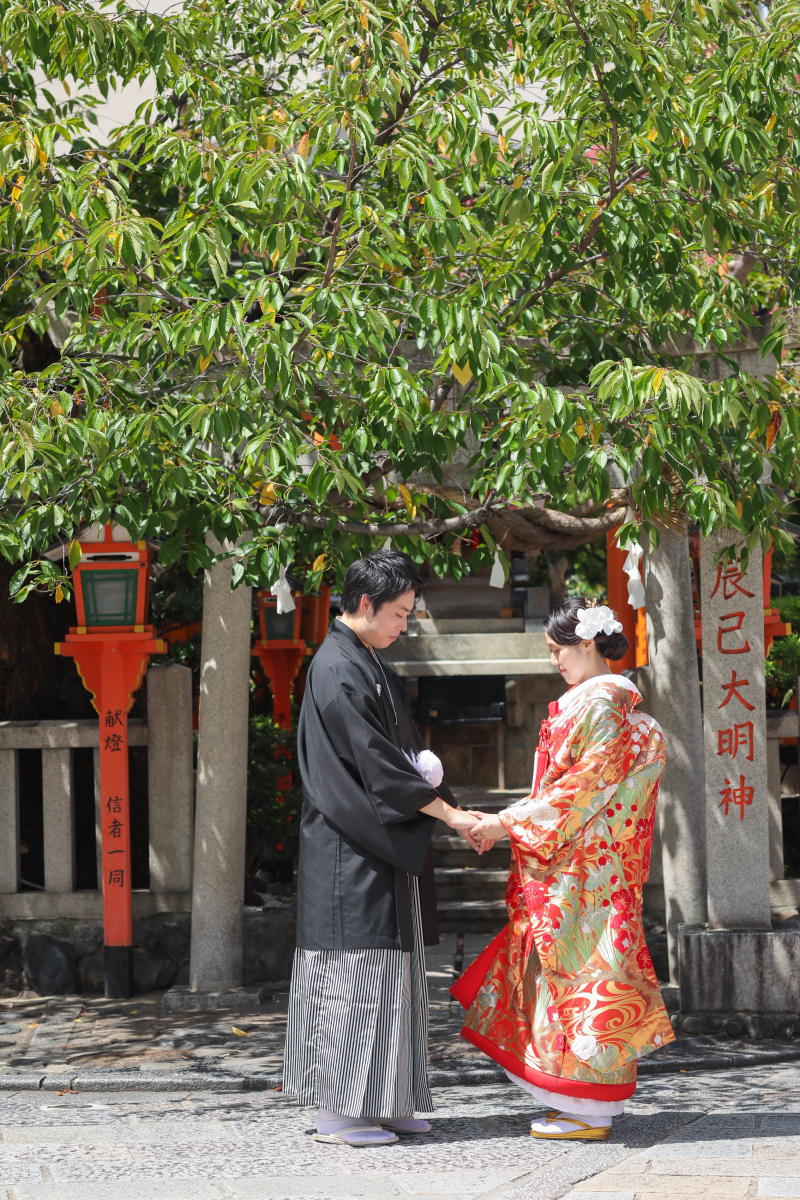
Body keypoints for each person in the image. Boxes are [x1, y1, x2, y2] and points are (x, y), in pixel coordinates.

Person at [452, 598, 673, 1140]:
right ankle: (576, 1098)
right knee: (578, 976)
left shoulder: (601, 706)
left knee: (581, 977)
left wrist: (503, 823)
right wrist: (512, 823)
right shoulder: (607, 705)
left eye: (558, 650)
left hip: (581, 868)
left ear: (588, 643)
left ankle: (588, 1107)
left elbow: (579, 789)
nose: (555, 660)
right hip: (591, 866)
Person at [282, 549, 480, 1147]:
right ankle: (340, 1112)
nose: (404, 624)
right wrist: (448, 812)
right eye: (398, 612)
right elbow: (377, 765)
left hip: (380, 844)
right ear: (363, 604)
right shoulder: (337, 668)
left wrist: (441, 789)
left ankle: (387, 1099)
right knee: (356, 975)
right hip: (350, 851)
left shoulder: (367, 660)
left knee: (395, 977)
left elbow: (404, 756)